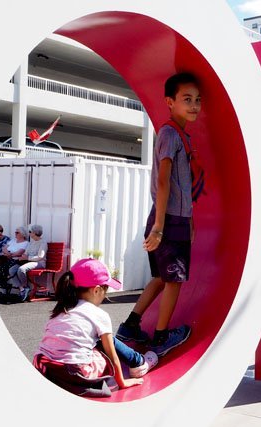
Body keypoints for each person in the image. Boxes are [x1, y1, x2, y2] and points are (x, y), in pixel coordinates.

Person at [116, 73, 201, 357]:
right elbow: (163, 181)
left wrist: (189, 222)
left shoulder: (180, 134)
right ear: (169, 102)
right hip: (167, 220)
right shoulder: (169, 133)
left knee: (163, 277)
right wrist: (161, 227)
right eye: (186, 99)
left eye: (197, 100)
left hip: (175, 219)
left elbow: (181, 186)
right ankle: (162, 337)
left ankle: (130, 324)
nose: (194, 105)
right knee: (174, 279)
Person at [33, 258, 157, 397]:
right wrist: (122, 382)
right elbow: (112, 354)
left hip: (45, 368)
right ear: (97, 290)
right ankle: (139, 363)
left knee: (85, 339)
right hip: (75, 373)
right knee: (101, 343)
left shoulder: (61, 310)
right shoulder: (99, 315)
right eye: (105, 290)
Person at [10, 224, 49, 301]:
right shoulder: (31, 242)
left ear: (35, 233)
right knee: (11, 270)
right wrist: (23, 257)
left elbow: (40, 257)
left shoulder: (43, 243)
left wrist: (28, 258)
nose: (29, 233)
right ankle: (22, 289)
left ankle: (25, 286)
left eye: (30, 231)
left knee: (21, 269)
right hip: (28, 261)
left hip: (39, 263)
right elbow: (26, 253)